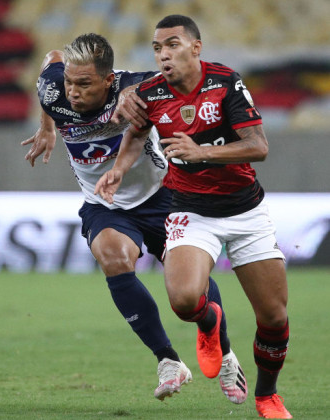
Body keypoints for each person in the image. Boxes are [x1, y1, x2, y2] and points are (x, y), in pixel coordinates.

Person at [21, 33, 245, 402]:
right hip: (104, 202)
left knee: (188, 289)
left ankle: (225, 354)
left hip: (162, 195)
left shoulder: (139, 89)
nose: (73, 92)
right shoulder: (54, 87)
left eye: (84, 84)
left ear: (109, 80)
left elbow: (185, 84)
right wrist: (47, 127)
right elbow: (51, 59)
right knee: (112, 257)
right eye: (69, 82)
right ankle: (168, 360)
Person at [96, 15, 291, 418]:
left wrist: (202, 152)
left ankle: (267, 395)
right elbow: (134, 133)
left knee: (273, 318)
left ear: (196, 47)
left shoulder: (226, 83)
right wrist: (118, 167)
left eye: (172, 45)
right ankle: (209, 321)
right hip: (190, 209)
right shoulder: (150, 93)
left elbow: (258, 146)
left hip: (245, 210)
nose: (163, 55)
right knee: (184, 301)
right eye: (156, 48)